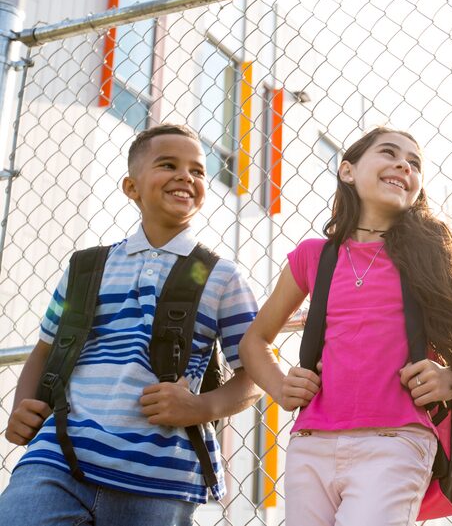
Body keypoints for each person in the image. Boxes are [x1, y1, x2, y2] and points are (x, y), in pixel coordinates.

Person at [0, 124, 261, 526]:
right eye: (168, 164)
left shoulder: (222, 277)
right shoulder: (85, 267)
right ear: (131, 187)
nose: (185, 177)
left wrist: (201, 407)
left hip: (160, 475)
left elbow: (255, 376)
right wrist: (22, 407)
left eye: (198, 170)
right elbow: (45, 349)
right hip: (60, 455)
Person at [240, 126, 452, 526]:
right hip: (311, 442)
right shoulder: (313, 256)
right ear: (347, 171)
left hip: (396, 440)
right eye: (390, 153)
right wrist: (278, 386)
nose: (403, 165)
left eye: (414, 163)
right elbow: (255, 341)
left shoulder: (436, 249)